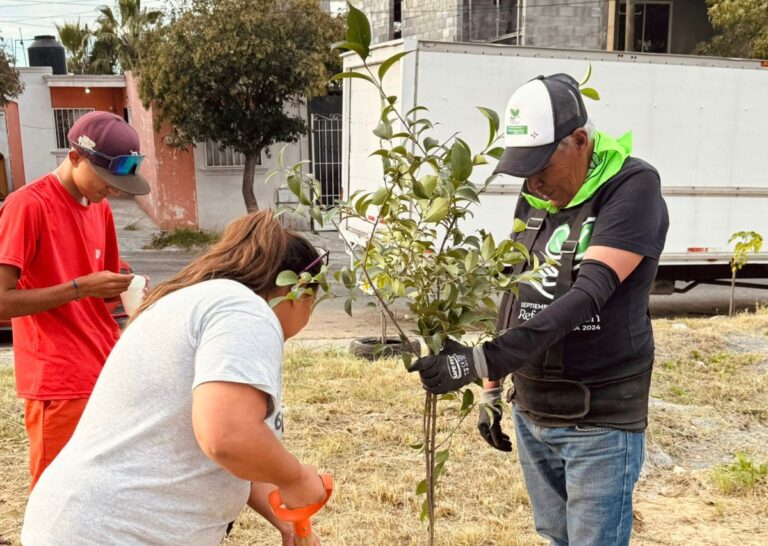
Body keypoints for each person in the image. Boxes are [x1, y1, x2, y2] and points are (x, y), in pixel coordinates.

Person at [409, 73, 669, 546]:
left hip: (599, 420)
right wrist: (491, 387)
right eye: (524, 170)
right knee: (554, 537)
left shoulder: (633, 187)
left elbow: (589, 292)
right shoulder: (535, 198)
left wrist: (483, 359)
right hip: (533, 411)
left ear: (580, 141)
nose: (534, 182)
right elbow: (516, 290)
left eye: (542, 167)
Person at [22, 211, 330, 545]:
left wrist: (286, 519)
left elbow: (232, 455)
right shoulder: (246, 311)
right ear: (300, 292)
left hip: (89, 523)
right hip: (113, 532)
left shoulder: (199, 302)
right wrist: (295, 477)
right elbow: (228, 436)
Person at [0, 111, 150, 489]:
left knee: (100, 486)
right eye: (106, 180)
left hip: (104, 368)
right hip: (58, 379)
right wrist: (80, 287)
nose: (113, 191)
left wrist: (129, 288)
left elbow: (109, 282)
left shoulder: (98, 207)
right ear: (75, 157)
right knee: (57, 491)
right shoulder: (27, 206)